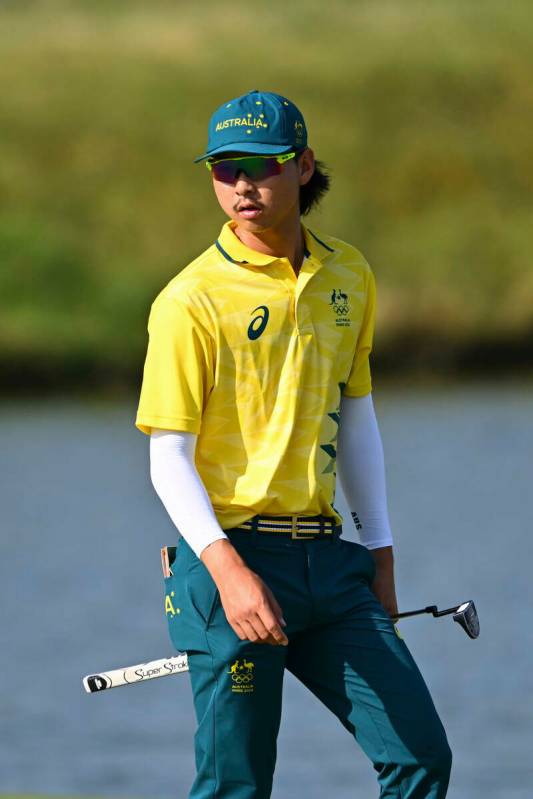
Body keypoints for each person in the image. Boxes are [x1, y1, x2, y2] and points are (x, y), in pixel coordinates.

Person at [136, 90, 452, 799]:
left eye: (262, 165)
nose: (243, 185)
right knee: (236, 785)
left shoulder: (348, 273)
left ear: (303, 166)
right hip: (232, 560)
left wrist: (380, 553)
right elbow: (168, 456)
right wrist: (229, 572)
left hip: (331, 565)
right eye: (224, 169)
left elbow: (358, 416)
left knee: (419, 757)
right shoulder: (190, 300)